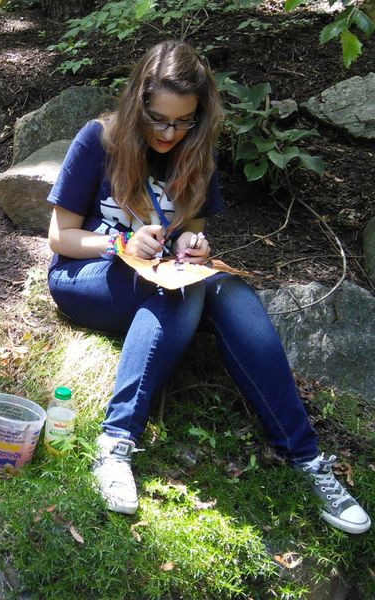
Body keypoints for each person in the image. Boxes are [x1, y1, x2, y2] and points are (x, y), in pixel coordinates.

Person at [46, 40, 370, 534]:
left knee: (229, 290)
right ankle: (115, 446)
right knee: (178, 289)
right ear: (137, 103)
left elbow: (190, 227)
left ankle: (308, 459)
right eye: (158, 119)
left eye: (182, 122)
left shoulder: (195, 152)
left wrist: (195, 244)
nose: (169, 133)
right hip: (87, 276)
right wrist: (123, 244)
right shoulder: (99, 140)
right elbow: (60, 237)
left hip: (159, 278)